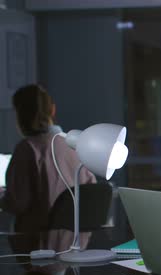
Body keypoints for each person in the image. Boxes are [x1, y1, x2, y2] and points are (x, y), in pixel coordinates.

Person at [0, 84, 96, 254]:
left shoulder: (27, 149)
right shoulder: (75, 146)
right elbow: (91, 193)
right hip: (75, 248)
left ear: (20, 116)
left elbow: (17, 203)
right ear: (52, 110)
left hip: (37, 248)